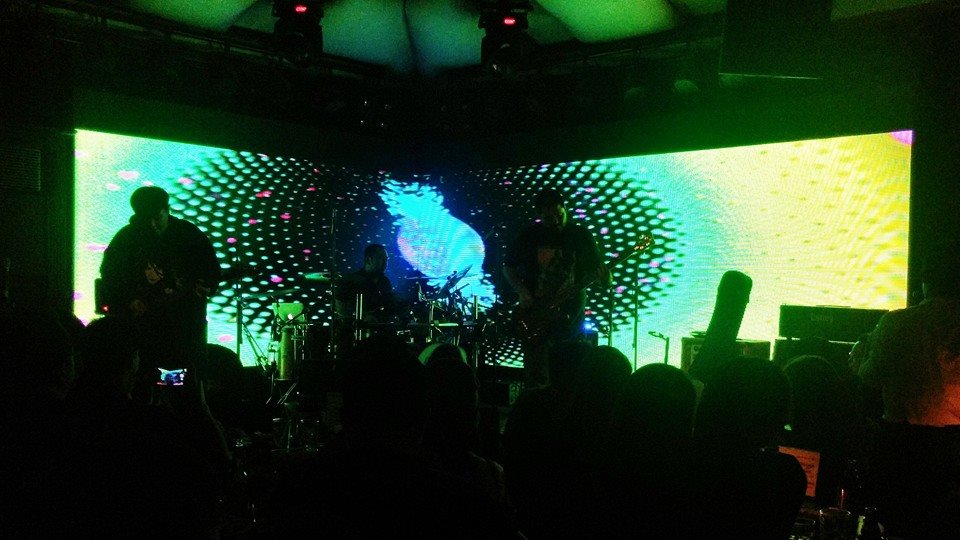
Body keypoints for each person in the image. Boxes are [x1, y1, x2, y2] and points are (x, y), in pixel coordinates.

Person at [858, 239, 960, 537]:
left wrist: (859, 359)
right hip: (954, 450)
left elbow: (870, 376)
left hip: (901, 449)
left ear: (925, 278)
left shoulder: (897, 323)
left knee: (897, 525)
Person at [99, 186, 220, 396]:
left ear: (167, 210)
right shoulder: (126, 239)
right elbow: (109, 277)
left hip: (182, 333)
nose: (152, 225)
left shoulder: (188, 235)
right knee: (145, 385)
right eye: (146, 219)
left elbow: (211, 272)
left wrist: (206, 286)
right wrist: (129, 300)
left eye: (156, 218)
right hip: (143, 333)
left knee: (179, 386)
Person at [502, 188, 610, 386]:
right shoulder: (530, 235)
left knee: (568, 379)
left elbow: (601, 274)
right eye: (548, 218)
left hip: (570, 320)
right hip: (536, 316)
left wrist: (607, 279)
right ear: (540, 215)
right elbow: (508, 268)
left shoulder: (580, 235)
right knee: (536, 378)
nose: (556, 221)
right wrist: (523, 292)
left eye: (559, 215)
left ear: (564, 208)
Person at [334, 244, 398, 324]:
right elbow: (341, 309)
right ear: (368, 260)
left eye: (386, 259)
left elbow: (388, 305)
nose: (385, 262)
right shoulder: (352, 281)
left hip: (379, 328)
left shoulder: (384, 282)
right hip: (354, 328)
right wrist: (363, 317)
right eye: (381, 258)